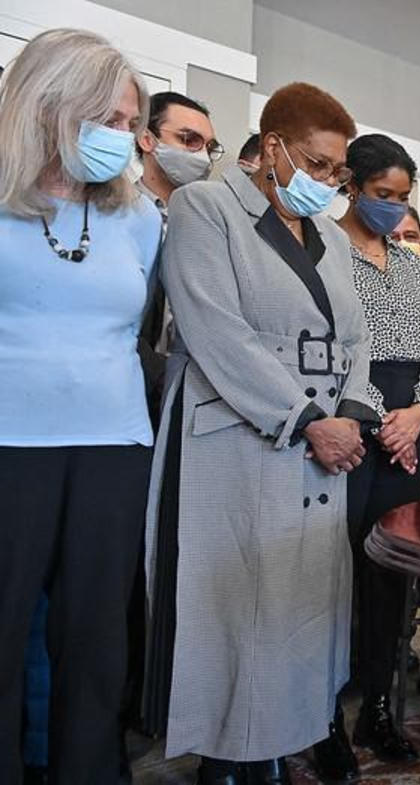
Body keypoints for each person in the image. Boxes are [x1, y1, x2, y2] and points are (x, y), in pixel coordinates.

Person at [142, 82, 377, 785]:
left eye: (337, 171)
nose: (328, 183)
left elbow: (356, 337)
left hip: (320, 449)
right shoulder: (205, 207)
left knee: (296, 609)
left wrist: (354, 415)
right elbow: (216, 330)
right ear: (271, 148)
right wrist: (308, 420)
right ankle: (225, 754)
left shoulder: (332, 238)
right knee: (235, 607)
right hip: (239, 438)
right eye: (317, 163)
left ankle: (274, 742)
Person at [0, 29, 161, 785]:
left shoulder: (139, 217)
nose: (125, 138)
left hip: (115, 446)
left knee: (96, 641)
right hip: (9, 446)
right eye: (113, 119)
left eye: (132, 123)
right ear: (51, 105)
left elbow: (139, 326)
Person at [331, 133, 420, 765]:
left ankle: (377, 707)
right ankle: (321, 719)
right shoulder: (321, 250)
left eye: (403, 198)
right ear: (352, 186)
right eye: (384, 196)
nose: (396, 209)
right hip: (349, 430)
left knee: (388, 575)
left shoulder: (408, 264)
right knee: (333, 577)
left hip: (410, 425)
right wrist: (382, 421)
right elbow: (325, 349)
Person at [134, 91, 222, 411]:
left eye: (209, 147)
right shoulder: (115, 214)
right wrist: (159, 376)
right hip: (129, 385)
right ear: (147, 140)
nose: (202, 156)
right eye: (189, 140)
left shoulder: (211, 226)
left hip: (192, 391)